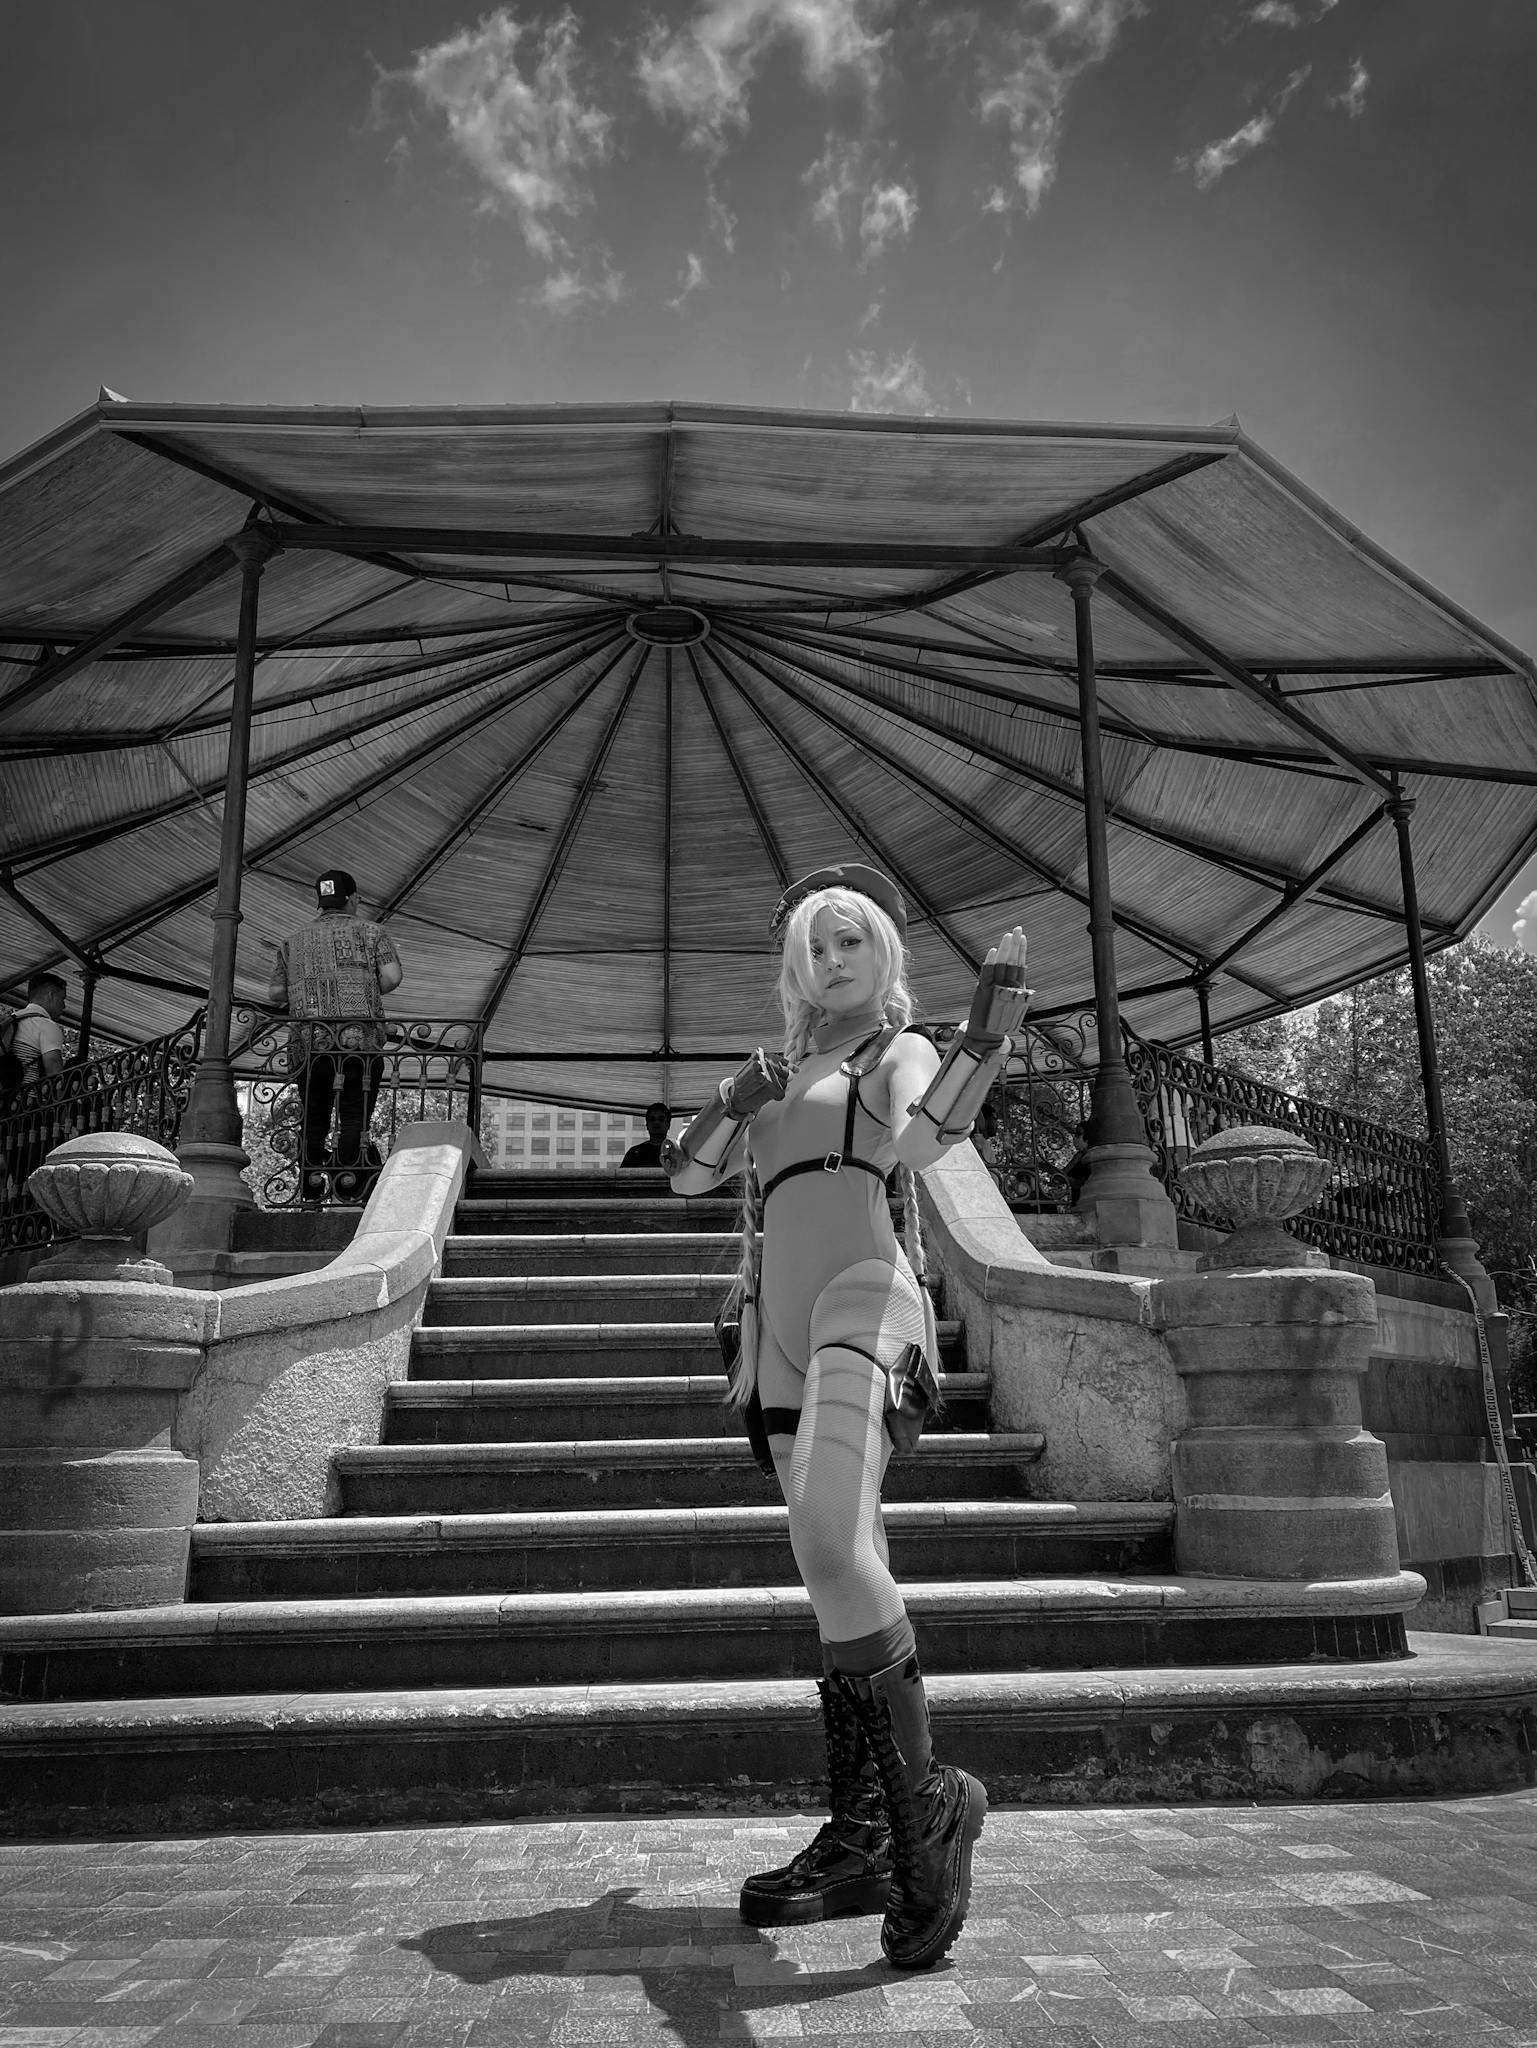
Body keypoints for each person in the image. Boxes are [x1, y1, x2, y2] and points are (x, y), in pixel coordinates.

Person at [665, 862, 1029, 1972]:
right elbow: (684, 1181)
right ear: (794, 967)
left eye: (850, 942)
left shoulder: (892, 1048)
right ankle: (866, 1829)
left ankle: (926, 1821)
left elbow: (926, 1142)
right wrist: (732, 1099)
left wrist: (981, 1040)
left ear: (883, 957)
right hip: (771, 1323)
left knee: (828, 1533)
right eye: (814, 948)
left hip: (865, 1298)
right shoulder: (778, 1070)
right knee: (834, 1563)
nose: (831, 962)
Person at [268, 870, 402, 1203]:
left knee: (313, 1118)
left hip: (309, 1045)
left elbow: (274, 993)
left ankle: (310, 1189)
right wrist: (365, 989)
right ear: (353, 899)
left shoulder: (292, 941)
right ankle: (349, 1185)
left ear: (321, 902)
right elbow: (392, 976)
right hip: (359, 1042)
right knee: (355, 1114)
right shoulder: (372, 932)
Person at [619, 1102, 672, 1168]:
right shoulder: (634, 1153)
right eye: (652, 1119)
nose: (656, 1122)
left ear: (668, 1125)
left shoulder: (675, 1151)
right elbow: (622, 1176)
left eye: (661, 1119)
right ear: (646, 1125)